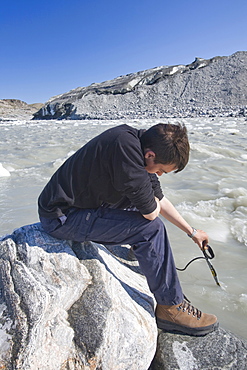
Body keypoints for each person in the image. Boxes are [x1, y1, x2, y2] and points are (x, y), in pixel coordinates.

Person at [38, 123, 218, 336]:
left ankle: (148, 262)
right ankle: (170, 308)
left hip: (84, 206)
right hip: (62, 217)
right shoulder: (126, 150)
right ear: (150, 155)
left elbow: (158, 199)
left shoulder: (140, 145)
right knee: (152, 228)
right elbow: (152, 213)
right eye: (161, 170)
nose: (159, 175)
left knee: (141, 202)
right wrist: (148, 202)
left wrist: (192, 231)